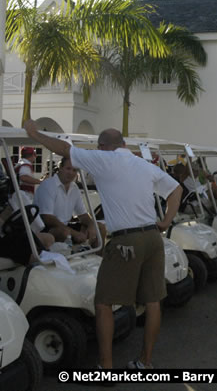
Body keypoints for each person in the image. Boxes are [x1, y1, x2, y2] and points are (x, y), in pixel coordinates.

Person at [24, 120, 182, 370]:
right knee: (152, 301)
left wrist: (34, 133)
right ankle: (145, 362)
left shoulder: (103, 158)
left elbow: (65, 150)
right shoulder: (141, 164)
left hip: (126, 241)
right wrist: (165, 221)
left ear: (103, 146)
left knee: (104, 302)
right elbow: (176, 190)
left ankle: (106, 367)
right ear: (124, 144)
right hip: (153, 237)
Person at [34, 157, 100, 246]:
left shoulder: (74, 188)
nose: (71, 173)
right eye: (68, 169)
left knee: (99, 227)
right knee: (64, 232)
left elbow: (82, 215)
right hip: (48, 228)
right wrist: (74, 233)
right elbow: (47, 218)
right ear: (60, 167)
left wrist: (92, 225)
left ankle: (97, 258)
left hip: (66, 226)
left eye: (74, 170)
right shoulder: (48, 185)